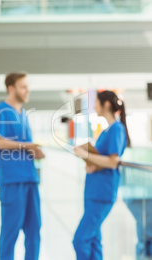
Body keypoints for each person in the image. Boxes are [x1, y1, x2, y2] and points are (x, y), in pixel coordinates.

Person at [0, 72, 45, 260]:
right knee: (10, 232)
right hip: (12, 179)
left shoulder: (23, 114)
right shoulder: (1, 110)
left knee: (34, 230)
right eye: (23, 86)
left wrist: (33, 151)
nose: (27, 90)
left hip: (30, 177)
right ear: (11, 88)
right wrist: (27, 146)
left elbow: (22, 144)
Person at [73, 90, 130, 260]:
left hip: (102, 193)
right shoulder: (106, 131)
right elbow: (103, 159)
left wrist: (86, 155)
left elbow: (113, 161)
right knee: (93, 239)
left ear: (106, 104)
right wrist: (93, 165)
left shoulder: (117, 129)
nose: (94, 107)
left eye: (96, 103)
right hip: (93, 191)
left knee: (80, 240)